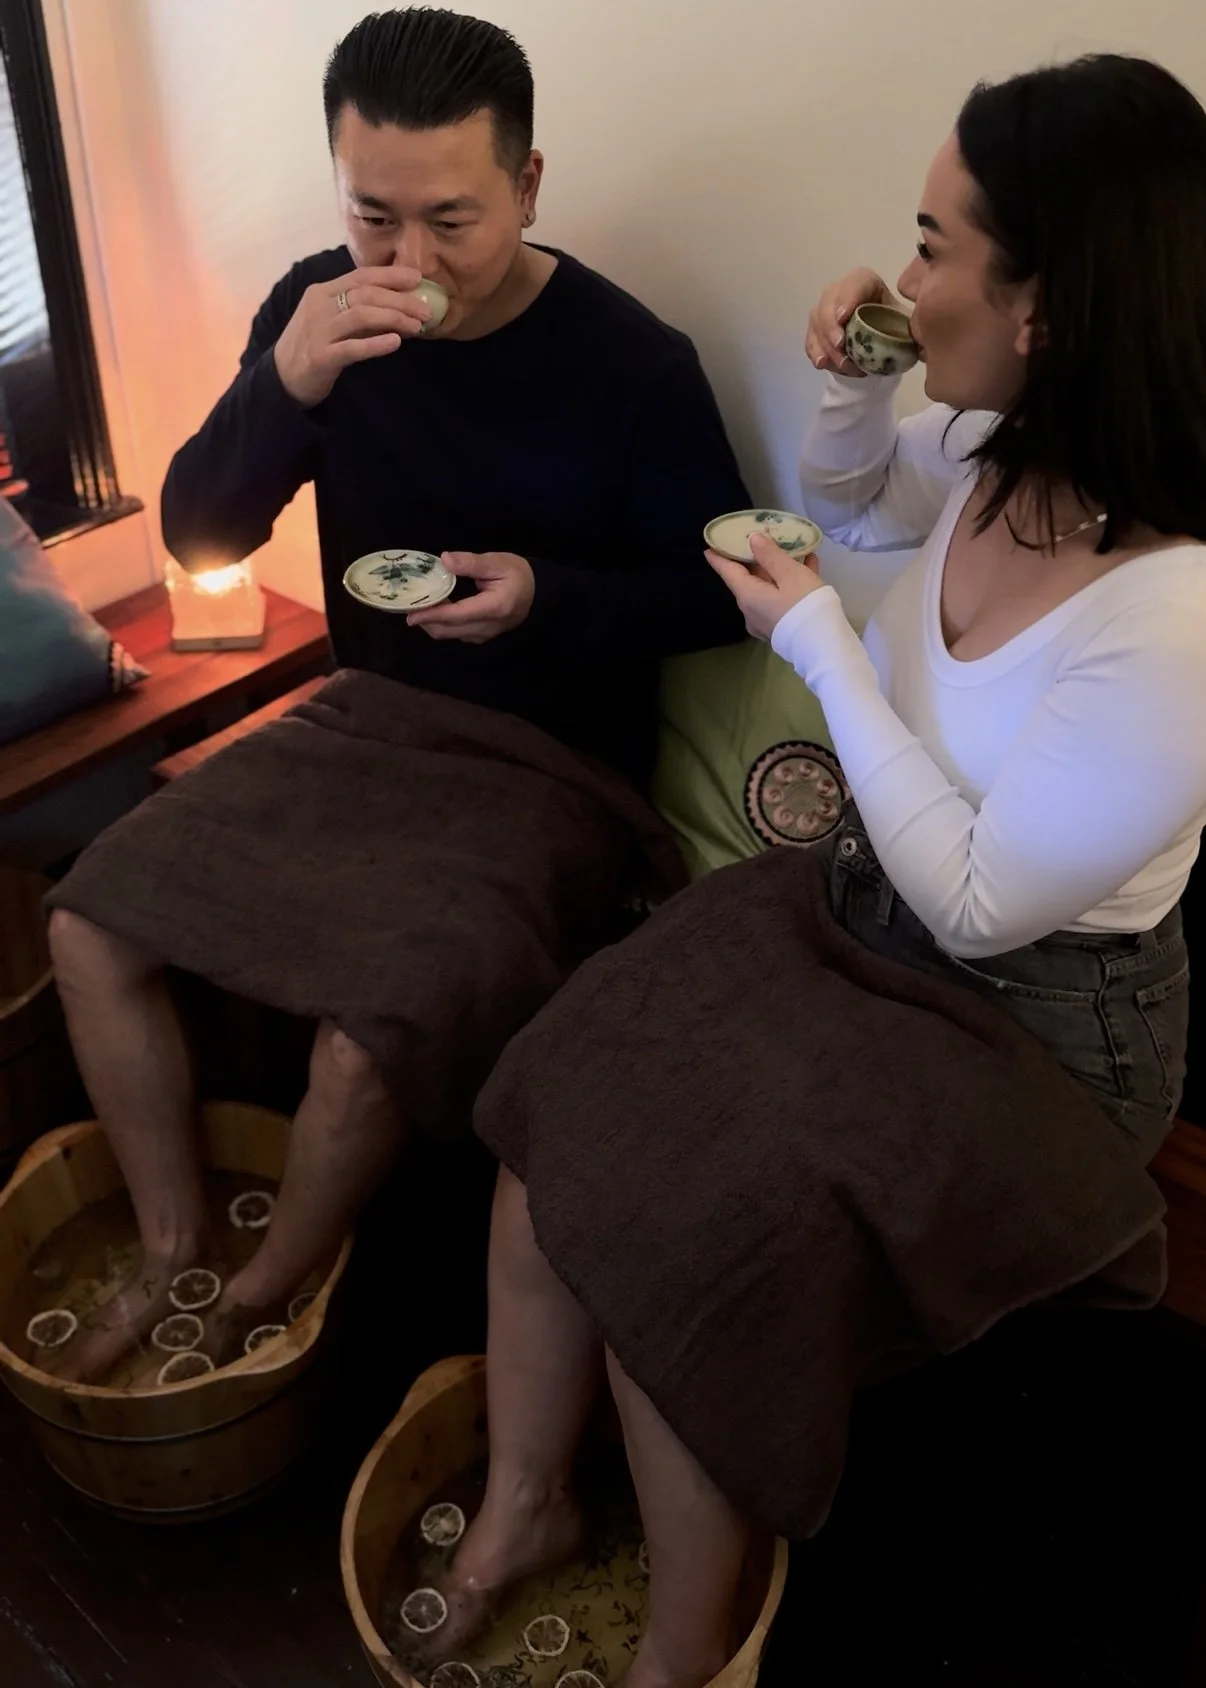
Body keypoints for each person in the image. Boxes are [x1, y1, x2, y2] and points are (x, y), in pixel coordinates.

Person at [448, 55, 1206, 1688]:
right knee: (546, 1101)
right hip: (870, 907)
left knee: (678, 1249)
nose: (907, 275)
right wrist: (863, 376)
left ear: (1050, 305)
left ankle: (683, 1648)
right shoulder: (1007, 444)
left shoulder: (1175, 617)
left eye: (934, 247)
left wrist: (816, 647)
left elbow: (988, 904)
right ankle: (522, 1508)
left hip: (1034, 1027)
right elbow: (848, 498)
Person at [44, 7, 748, 1379]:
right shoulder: (321, 311)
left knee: (364, 1046)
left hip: (552, 770)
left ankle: (261, 1290)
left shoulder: (631, 364)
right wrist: (286, 382)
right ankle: (176, 1242)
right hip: (359, 723)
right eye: (374, 219)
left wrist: (548, 597)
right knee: (84, 926)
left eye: (451, 221)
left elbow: (718, 591)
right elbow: (204, 527)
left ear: (527, 186)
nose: (408, 264)